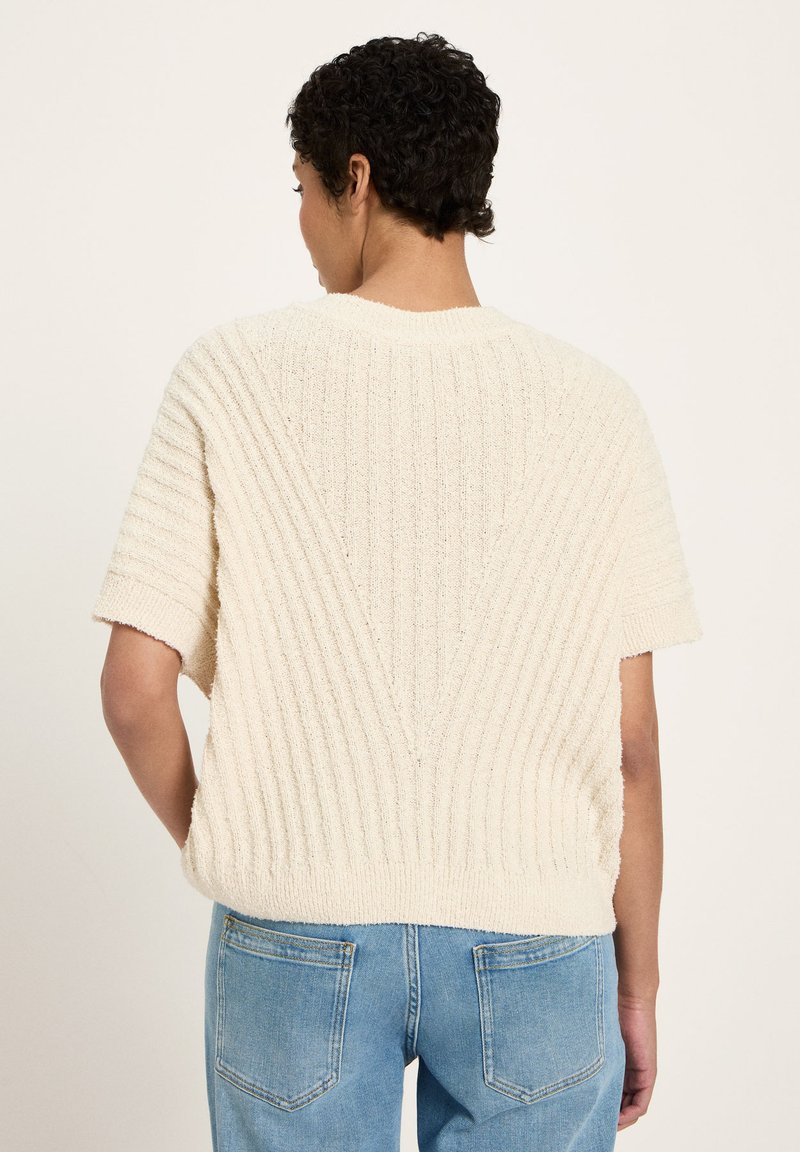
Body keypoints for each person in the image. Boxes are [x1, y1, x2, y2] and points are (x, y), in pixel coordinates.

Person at [91, 31, 702, 1152]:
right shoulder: (593, 407)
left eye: (301, 189)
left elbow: (134, 689)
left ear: (356, 180)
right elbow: (630, 747)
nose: (301, 220)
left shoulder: (228, 376)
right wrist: (638, 984)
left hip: (294, 936)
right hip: (538, 941)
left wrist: (235, 847)